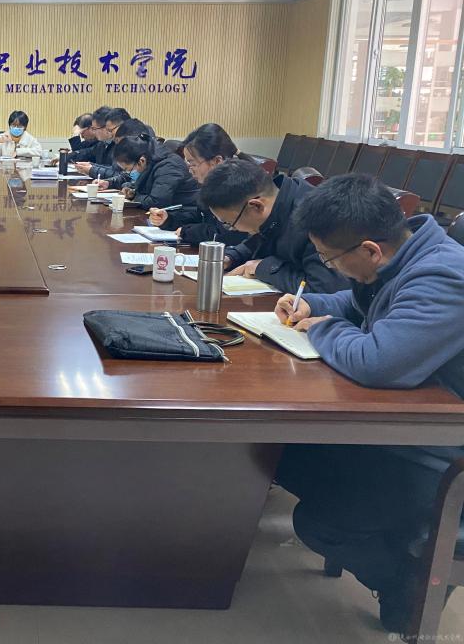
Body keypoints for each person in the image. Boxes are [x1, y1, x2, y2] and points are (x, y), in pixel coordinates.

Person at [272, 174, 464, 634]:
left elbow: (379, 364)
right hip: (406, 429)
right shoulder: (407, 254)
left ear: (370, 250)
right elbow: (362, 299)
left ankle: (410, 587)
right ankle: (394, 542)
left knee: (321, 523)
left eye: (328, 258)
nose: (328, 265)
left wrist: (322, 328)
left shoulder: (444, 277)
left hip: (443, 455)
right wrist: (314, 303)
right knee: (275, 454)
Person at [199, 158, 349, 294]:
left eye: (229, 223)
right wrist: (231, 257)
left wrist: (262, 267)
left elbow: (324, 288)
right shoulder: (278, 201)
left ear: (256, 206)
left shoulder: (317, 218)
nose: (233, 229)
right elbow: (262, 237)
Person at [147, 123, 251, 247]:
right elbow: (200, 216)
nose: (190, 170)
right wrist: (169, 219)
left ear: (217, 161)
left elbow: (226, 235)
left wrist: (187, 232)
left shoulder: (238, 188)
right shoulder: (213, 184)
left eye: (193, 164)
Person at [103, 126, 200, 215]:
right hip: (166, 214)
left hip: (184, 215)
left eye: (128, 170)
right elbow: (146, 186)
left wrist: (134, 196)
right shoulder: (151, 160)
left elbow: (157, 202)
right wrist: (131, 190)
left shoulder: (168, 166)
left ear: (141, 161)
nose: (128, 173)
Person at [69, 106, 127, 176]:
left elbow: (117, 172)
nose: (93, 132)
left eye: (94, 129)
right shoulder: (101, 144)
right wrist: (64, 156)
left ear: (106, 127)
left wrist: (92, 169)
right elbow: (84, 153)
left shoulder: (122, 145)